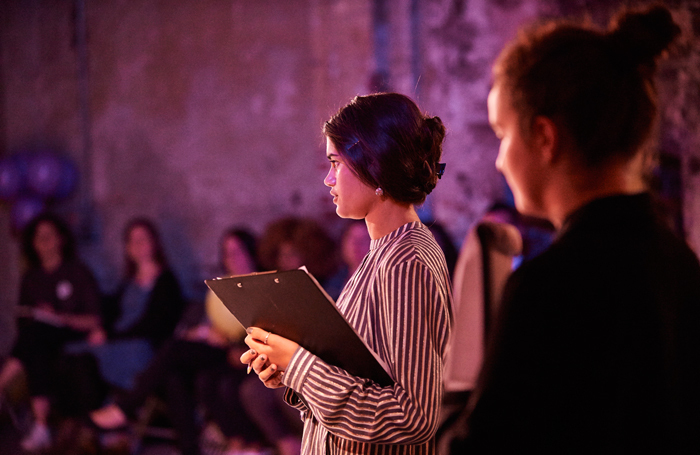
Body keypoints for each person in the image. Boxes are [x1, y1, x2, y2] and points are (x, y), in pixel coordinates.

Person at [449, 5, 700, 453]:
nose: (499, 160)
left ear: (545, 138)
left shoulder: (549, 286)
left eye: (502, 133)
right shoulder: (680, 265)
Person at [241, 92, 453, 455]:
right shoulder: (383, 252)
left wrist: (298, 363)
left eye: (335, 163)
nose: (328, 179)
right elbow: (363, 384)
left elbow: (413, 416)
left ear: (374, 166)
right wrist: (292, 375)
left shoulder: (406, 261)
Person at [89, 227, 259, 455]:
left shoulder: (262, 285)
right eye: (227, 253)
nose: (233, 259)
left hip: (243, 353)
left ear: (251, 253)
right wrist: (200, 332)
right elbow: (212, 322)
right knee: (173, 375)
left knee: (173, 349)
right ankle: (189, 449)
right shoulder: (223, 287)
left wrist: (226, 339)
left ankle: (126, 407)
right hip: (217, 351)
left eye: (238, 251)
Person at [0, 213, 103, 451]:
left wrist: (59, 317)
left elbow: (94, 319)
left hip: (72, 334)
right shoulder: (31, 278)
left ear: (61, 240)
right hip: (39, 341)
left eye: (49, 235)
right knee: (35, 342)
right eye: (38, 237)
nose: (44, 241)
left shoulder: (77, 272)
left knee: (35, 338)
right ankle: (42, 426)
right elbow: (23, 318)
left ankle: (36, 421)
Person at [67, 218, 185, 392]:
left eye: (142, 239)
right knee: (73, 353)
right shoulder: (127, 283)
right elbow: (113, 313)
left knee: (96, 358)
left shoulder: (166, 282)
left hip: (140, 344)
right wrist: (102, 330)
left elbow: (154, 324)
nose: (137, 245)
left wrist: (110, 335)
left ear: (154, 243)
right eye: (132, 240)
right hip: (118, 338)